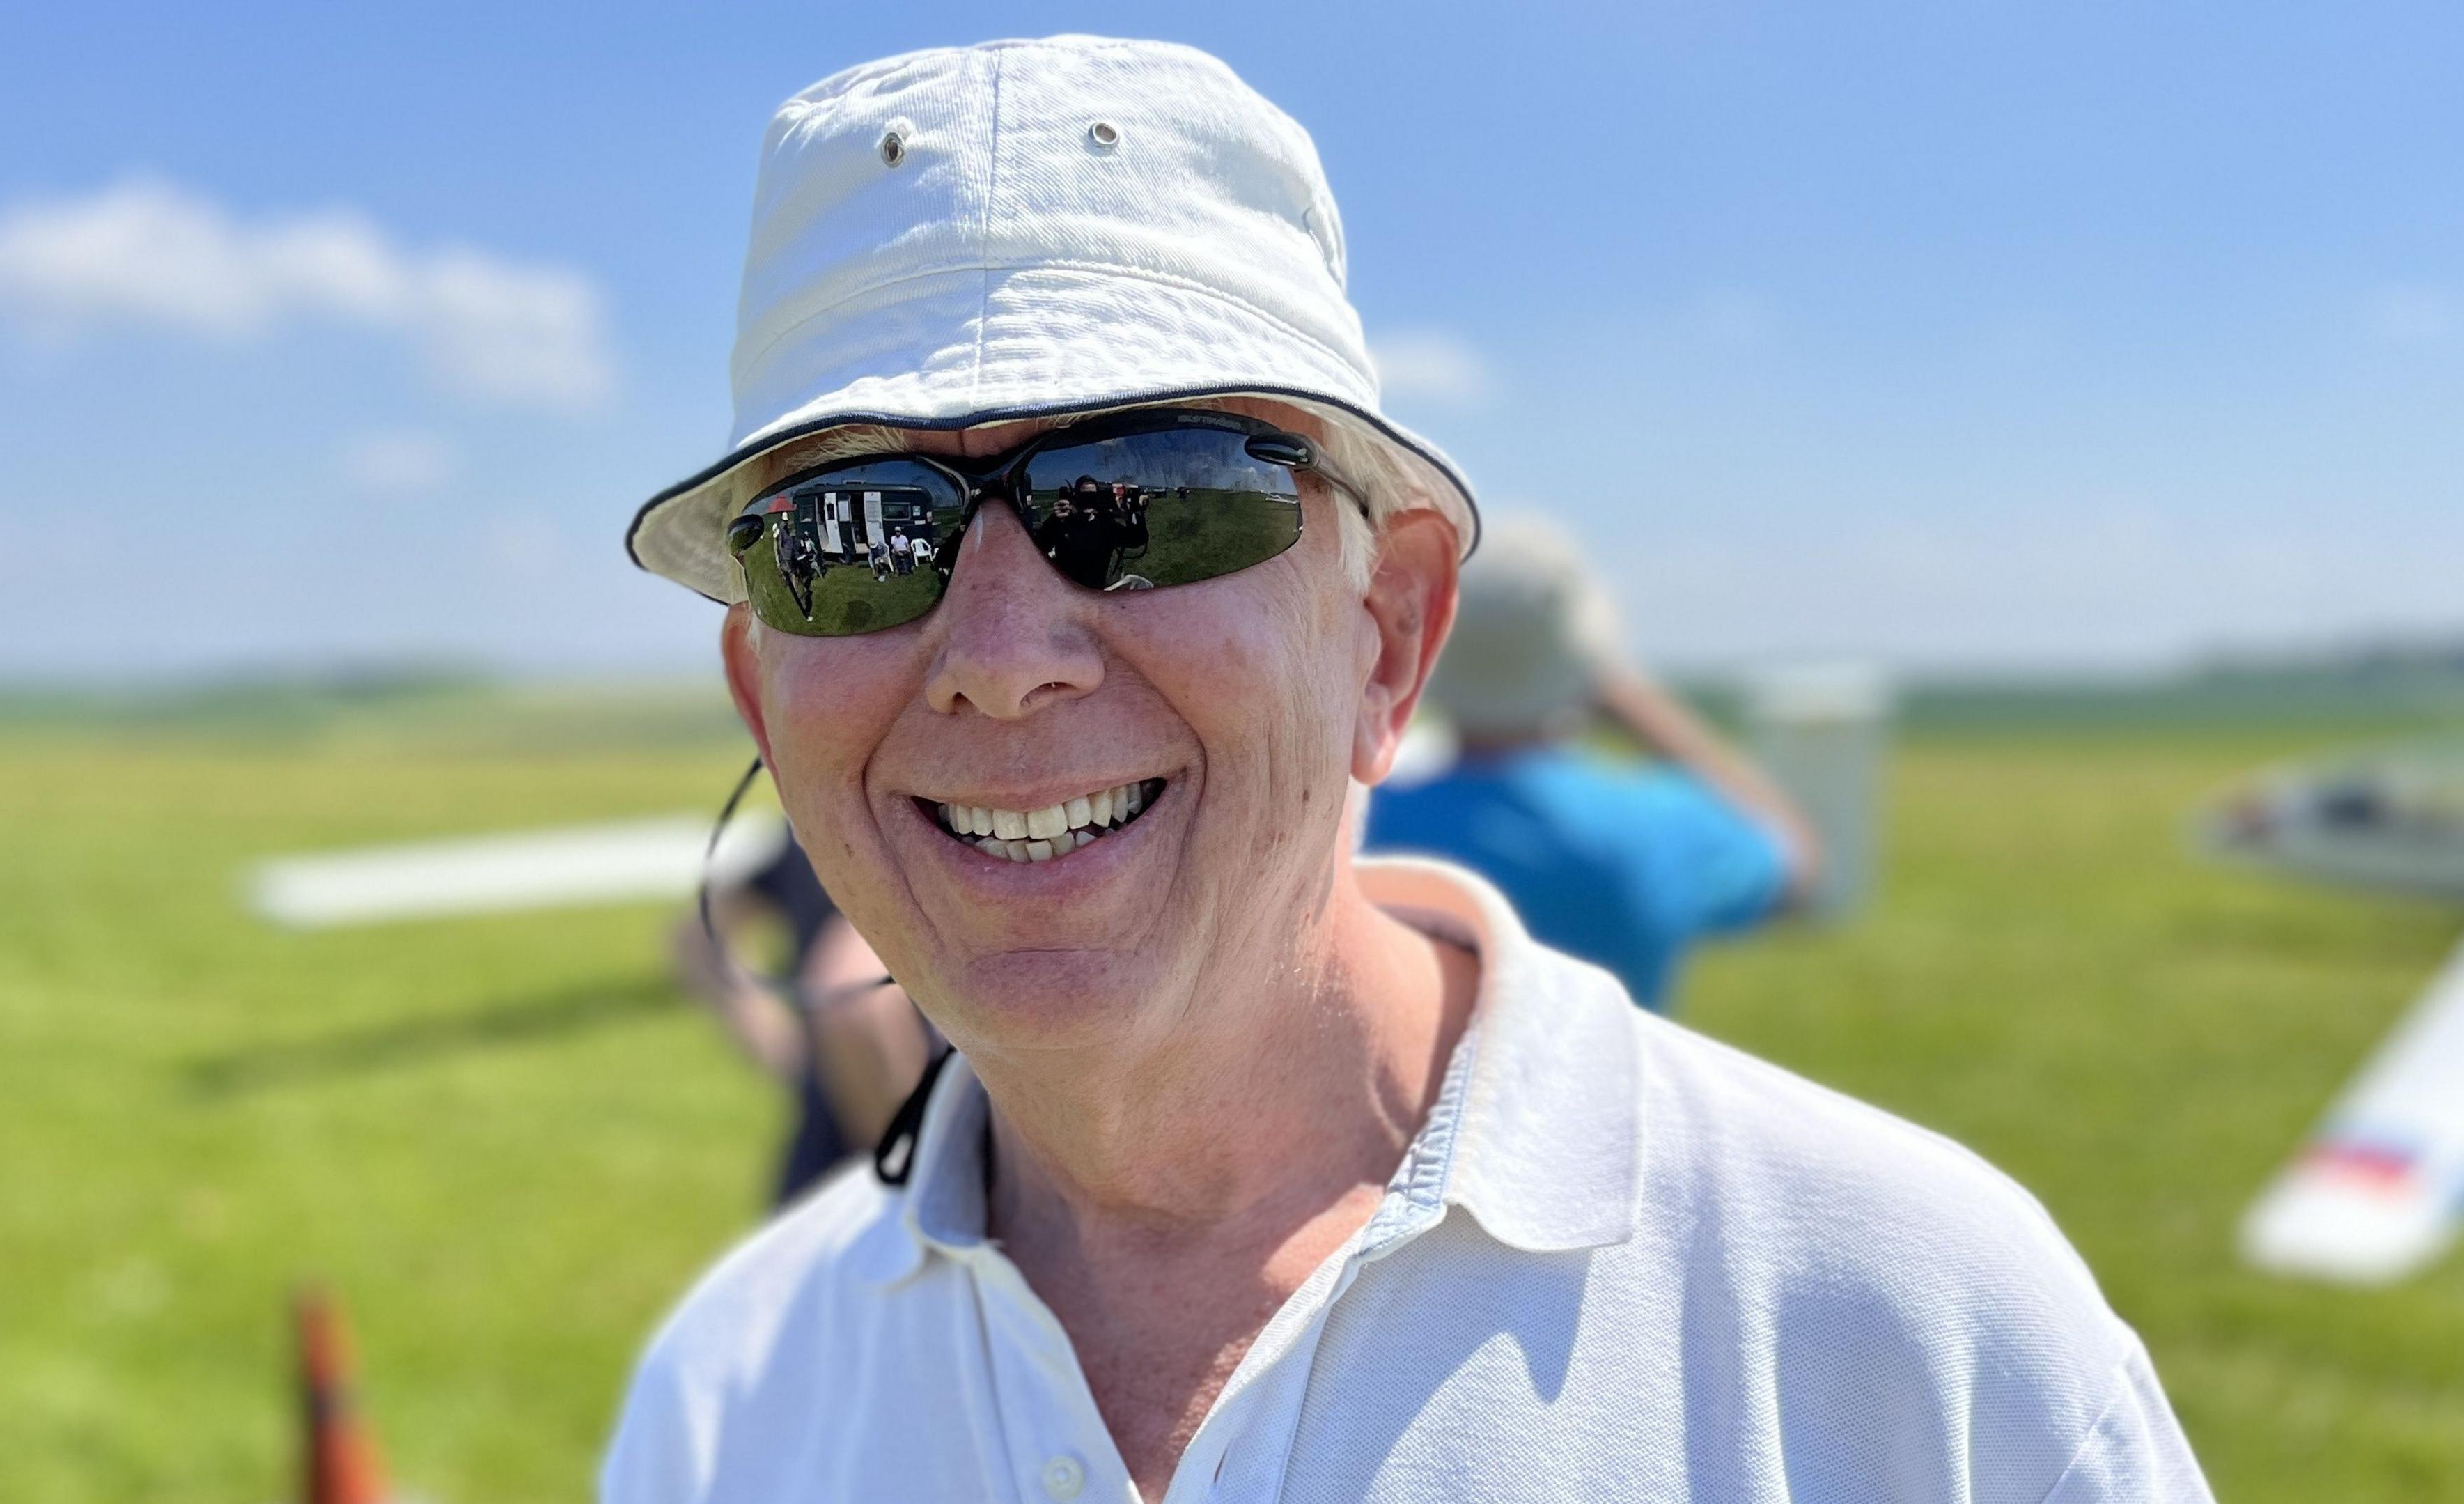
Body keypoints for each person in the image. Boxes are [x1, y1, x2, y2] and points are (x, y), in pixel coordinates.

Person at [605, 36, 2210, 1503]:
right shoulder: (731, 1393)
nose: (1002, 651)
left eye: (1148, 497)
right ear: (764, 689)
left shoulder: (1907, 1342)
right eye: (847, 537)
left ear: (1385, 633)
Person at [1366, 520, 1818, 1011]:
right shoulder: (1653, 826)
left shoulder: (1363, 824)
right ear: (1579, 655)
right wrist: (1642, 709)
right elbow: (1799, 864)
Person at [670, 836, 931, 1203]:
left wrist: (789, 1052)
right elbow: (853, 1002)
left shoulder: (806, 824)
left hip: (816, 1185)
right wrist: (926, 1174)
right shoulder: (921, 826)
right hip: (884, 1192)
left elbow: (697, 935)